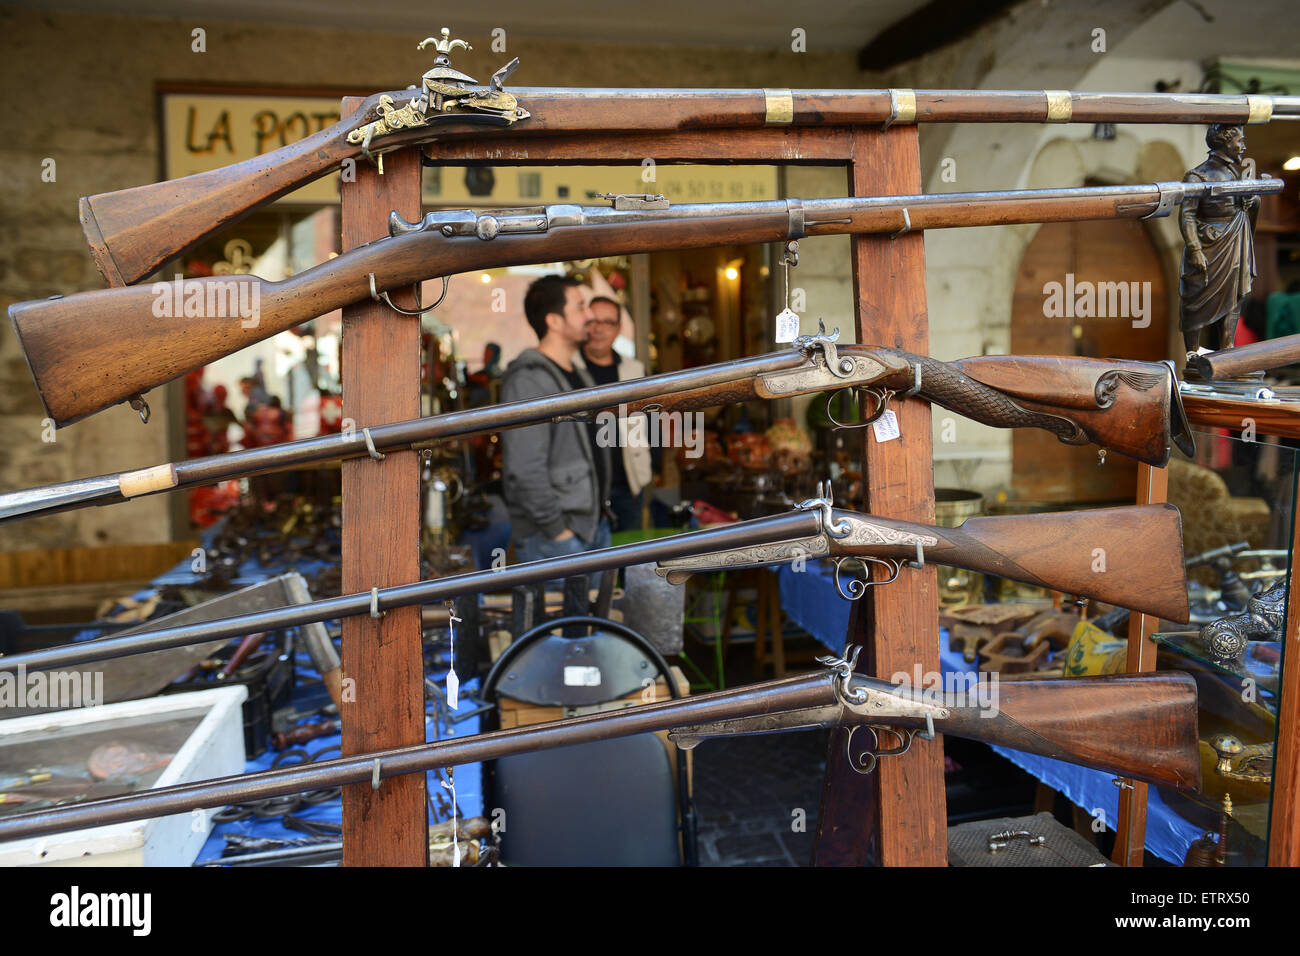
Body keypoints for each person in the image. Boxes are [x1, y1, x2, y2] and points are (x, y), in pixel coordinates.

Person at [500, 276, 611, 566]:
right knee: (564, 614)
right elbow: (524, 470)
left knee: (591, 613)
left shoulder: (577, 373)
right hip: (555, 539)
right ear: (555, 321)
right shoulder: (528, 380)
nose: (590, 316)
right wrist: (558, 532)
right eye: (580, 307)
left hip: (590, 528)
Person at [1179, 123, 1261, 357]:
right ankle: (1192, 354)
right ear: (1225, 142)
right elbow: (1187, 214)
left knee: (1234, 295)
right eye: (1239, 141)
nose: (1243, 146)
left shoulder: (1235, 173)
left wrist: (1250, 201)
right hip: (1208, 244)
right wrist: (1194, 249)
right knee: (1195, 299)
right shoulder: (1198, 175)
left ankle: (1228, 350)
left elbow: (1247, 204)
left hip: (1233, 242)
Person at [575, 296, 652, 532]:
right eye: (593, 321)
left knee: (629, 562)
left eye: (608, 322)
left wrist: (649, 469)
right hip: (582, 490)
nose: (599, 329)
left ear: (618, 328)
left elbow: (651, 420)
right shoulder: (569, 368)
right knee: (587, 565)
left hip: (627, 486)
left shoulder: (634, 370)